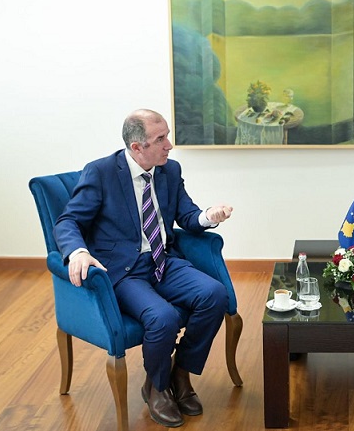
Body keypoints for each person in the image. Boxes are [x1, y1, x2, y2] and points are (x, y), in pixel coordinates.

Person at [54, 109, 234, 428]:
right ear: (137, 147)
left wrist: (208, 216)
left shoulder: (169, 170)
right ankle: (157, 387)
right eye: (161, 139)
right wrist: (78, 252)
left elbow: (187, 215)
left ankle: (181, 373)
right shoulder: (101, 172)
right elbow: (68, 221)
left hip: (164, 259)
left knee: (214, 295)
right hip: (124, 270)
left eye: (167, 135)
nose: (169, 145)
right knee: (162, 317)